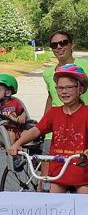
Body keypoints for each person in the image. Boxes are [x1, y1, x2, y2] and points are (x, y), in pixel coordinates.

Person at [8, 64, 88, 193]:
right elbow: (36, 130)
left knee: (83, 204)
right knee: (53, 204)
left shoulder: (86, 113)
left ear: (80, 89)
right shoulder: (54, 113)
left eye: (69, 87)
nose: (64, 91)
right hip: (58, 171)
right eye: (60, 88)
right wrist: (17, 144)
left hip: (82, 171)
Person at [41, 30, 88, 189]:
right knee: (48, 177)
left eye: (63, 43)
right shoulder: (48, 73)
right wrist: (43, 126)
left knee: (81, 175)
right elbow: (50, 97)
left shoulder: (85, 65)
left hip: (82, 125)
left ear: (71, 44)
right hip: (56, 127)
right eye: (54, 45)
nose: (59, 47)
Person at [0, 73, 26, 170]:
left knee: (32, 132)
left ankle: (34, 157)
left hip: (18, 129)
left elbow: (23, 112)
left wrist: (22, 117)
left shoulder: (15, 103)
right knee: (11, 135)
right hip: (5, 131)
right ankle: (14, 157)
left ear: (8, 93)